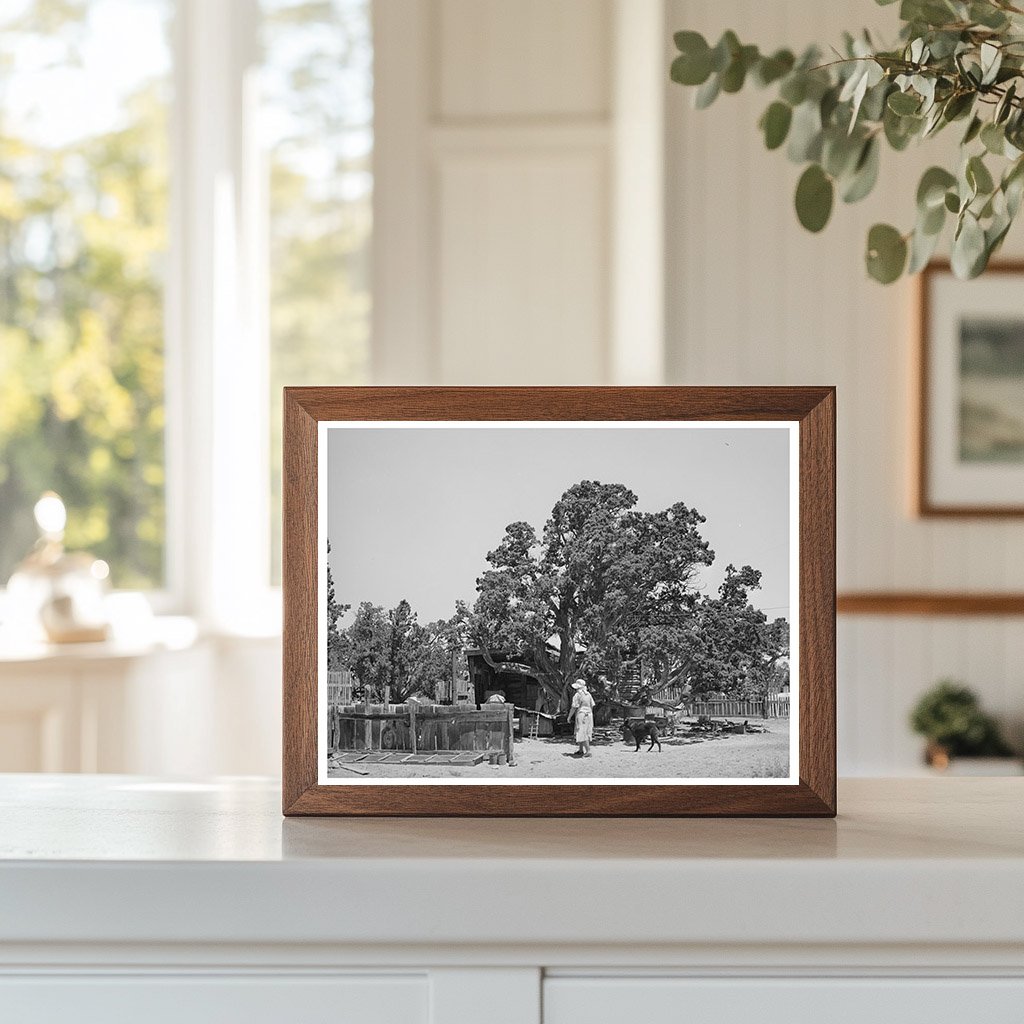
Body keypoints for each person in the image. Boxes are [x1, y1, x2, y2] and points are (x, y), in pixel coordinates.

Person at [567, 679, 595, 758]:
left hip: (581, 714)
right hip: (589, 714)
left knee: (582, 732)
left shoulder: (577, 695)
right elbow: (592, 705)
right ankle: (581, 749)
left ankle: (588, 750)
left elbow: (574, 707)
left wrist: (569, 717)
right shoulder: (588, 694)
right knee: (585, 731)